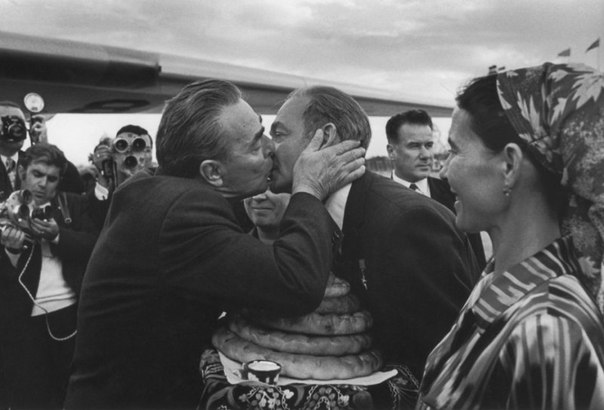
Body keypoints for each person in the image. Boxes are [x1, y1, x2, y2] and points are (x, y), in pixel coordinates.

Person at [65, 79, 366, 409]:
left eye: (268, 133)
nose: (271, 149)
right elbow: (296, 284)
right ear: (213, 173)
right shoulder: (182, 212)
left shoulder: (158, 190)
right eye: (254, 146)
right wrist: (309, 188)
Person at [417, 63, 604, 409]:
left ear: (509, 166)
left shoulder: (551, 329)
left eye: (455, 151)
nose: (443, 171)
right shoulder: (495, 283)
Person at [269, 85, 480, 383]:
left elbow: (450, 357)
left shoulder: (408, 222)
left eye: (278, 135)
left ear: (324, 138)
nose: (268, 148)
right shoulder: (321, 212)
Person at [0, 143, 98, 409]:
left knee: (73, 394)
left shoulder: (72, 205)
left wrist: (57, 235)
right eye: (37, 174)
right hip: (23, 320)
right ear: (22, 172)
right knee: (29, 396)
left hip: (70, 314)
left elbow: (95, 246)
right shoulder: (4, 209)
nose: (43, 184)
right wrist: (11, 250)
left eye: (51, 178)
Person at [386, 109, 487, 268]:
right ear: (391, 152)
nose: (426, 155)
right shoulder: (378, 199)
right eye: (414, 146)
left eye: (429, 145)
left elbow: (476, 260)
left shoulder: (456, 194)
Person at [0, 101, 85, 200]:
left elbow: (75, 187)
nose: (15, 128)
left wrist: (44, 147)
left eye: (19, 123)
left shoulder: (31, 161)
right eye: (8, 122)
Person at [87, 125, 155, 229]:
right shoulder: (104, 191)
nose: (131, 153)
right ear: (113, 153)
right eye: (124, 146)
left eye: (144, 149)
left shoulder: (159, 187)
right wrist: (102, 171)